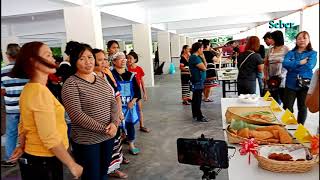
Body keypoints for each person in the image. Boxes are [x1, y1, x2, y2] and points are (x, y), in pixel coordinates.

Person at [8, 41, 83, 179]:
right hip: (44, 160)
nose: (53, 59)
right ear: (33, 62)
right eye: (48, 55)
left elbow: (24, 124)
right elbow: (49, 137)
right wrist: (72, 164)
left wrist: (21, 146)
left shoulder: (30, 88)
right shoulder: (38, 92)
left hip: (37, 156)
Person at [61, 42, 118, 180]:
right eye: (82, 59)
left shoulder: (100, 79)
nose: (88, 62)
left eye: (90, 57)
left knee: (103, 173)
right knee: (91, 176)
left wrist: (115, 123)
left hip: (108, 136)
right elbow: (77, 116)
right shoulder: (71, 84)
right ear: (74, 61)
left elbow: (113, 102)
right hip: (87, 141)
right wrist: (105, 129)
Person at [92, 48, 128, 179]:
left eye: (105, 59)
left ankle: (113, 168)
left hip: (113, 118)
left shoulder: (106, 75)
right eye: (99, 60)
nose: (104, 62)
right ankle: (107, 171)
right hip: (103, 121)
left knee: (115, 144)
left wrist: (118, 114)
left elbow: (117, 95)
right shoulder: (91, 78)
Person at [1, 43, 29, 167]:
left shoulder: (2, 71)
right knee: (28, 132)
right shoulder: (28, 69)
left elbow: (2, 91)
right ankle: (29, 155)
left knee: (11, 133)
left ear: (7, 55)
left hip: (11, 108)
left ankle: (10, 159)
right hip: (27, 107)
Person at [283, 31, 317, 125]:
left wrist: (292, 64)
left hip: (305, 84)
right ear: (296, 41)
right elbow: (285, 64)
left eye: (304, 38)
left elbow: (309, 66)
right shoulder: (290, 53)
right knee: (287, 107)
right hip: (290, 83)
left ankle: (300, 127)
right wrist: (300, 62)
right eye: (299, 38)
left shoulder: (312, 53)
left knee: (302, 107)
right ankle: (288, 126)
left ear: (309, 40)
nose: (302, 40)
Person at [111, 52, 141, 156]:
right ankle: (117, 149)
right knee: (117, 127)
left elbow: (138, 91)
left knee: (129, 124)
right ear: (114, 61)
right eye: (120, 58)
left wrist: (133, 102)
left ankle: (131, 144)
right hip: (116, 107)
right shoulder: (110, 75)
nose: (124, 60)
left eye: (124, 58)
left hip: (129, 106)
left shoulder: (131, 75)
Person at [127, 51, 151, 133]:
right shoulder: (126, 69)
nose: (128, 60)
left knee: (139, 109)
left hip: (137, 91)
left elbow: (142, 81)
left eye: (130, 58)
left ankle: (142, 125)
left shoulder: (139, 69)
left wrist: (145, 93)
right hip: (129, 92)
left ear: (135, 59)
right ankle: (128, 128)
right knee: (128, 109)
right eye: (127, 58)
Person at [264, 30, 289, 104]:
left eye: (272, 38)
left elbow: (289, 64)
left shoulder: (286, 49)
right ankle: (276, 114)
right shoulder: (270, 50)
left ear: (277, 38)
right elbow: (266, 64)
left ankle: (286, 115)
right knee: (273, 100)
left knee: (284, 99)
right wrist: (265, 75)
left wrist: (282, 74)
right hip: (271, 78)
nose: (270, 40)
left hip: (283, 78)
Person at [189, 42, 208, 122]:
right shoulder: (195, 57)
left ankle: (195, 114)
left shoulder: (195, 57)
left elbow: (205, 66)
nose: (203, 50)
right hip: (198, 80)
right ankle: (199, 116)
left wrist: (202, 57)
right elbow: (204, 68)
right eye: (202, 48)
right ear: (198, 49)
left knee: (196, 98)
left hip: (198, 80)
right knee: (197, 98)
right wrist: (203, 57)